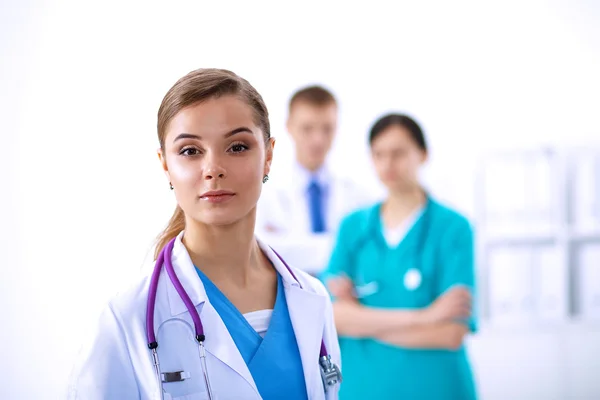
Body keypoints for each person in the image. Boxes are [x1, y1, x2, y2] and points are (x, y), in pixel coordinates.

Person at [68, 68, 341, 400]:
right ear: (165, 165)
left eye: (237, 146)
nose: (213, 168)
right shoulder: (127, 318)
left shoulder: (311, 298)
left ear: (268, 156)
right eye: (190, 151)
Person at [323, 113, 478, 400]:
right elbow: (335, 318)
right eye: (378, 154)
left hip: (437, 388)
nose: (387, 164)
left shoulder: (454, 228)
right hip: (364, 389)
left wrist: (364, 324)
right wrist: (427, 315)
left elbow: (450, 334)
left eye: (398, 153)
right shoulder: (353, 228)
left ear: (423, 154)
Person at [256, 86, 371, 276]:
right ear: (289, 127)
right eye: (307, 128)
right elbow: (261, 251)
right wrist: (342, 244)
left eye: (327, 129)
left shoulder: (359, 196)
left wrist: (292, 245)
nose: (318, 139)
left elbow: (369, 253)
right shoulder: (264, 192)